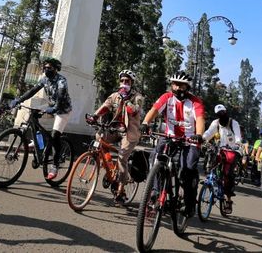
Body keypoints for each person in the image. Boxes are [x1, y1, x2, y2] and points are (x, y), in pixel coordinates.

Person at [141, 71, 205, 218]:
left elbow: (200, 120)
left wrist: (199, 135)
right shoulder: (167, 97)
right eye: (174, 84)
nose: (177, 88)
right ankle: (156, 192)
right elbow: (154, 110)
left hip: (190, 140)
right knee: (155, 157)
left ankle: (189, 204)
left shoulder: (195, 102)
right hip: (170, 137)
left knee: (188, 169)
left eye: (181, 85)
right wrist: (145, 123)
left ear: (187, 87)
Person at [86, 69, 145, 204]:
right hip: (115, 128)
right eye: (122, 81)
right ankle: (110, 168)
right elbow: (105, 107)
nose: (124, 83)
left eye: (127, 81)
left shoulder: (138, 97)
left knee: (122, 157)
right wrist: (95, 116)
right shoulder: (115, 95)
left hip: (130, 132)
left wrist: (126, 100)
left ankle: (121, 189)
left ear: (132, 83)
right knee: (99, 137)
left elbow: (134, 112)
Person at [9, 57, 72, 180]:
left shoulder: (61, 81)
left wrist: (54, 109)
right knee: (32, 115)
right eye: (45, 67)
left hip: (63, 109)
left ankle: (55, 166)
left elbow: (60, 97)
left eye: (49, 68)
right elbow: (32, 91)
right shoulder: (44, 80)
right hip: (51, 105)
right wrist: (19, 100)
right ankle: (38, 142)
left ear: (55, 69)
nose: (46, 69)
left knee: (54, 136)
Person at [202, 104, 242, 211]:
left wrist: (237, 144)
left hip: (232, 150)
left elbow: (238, 136)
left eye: (223, 112)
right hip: (220, 150)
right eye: (219, 114)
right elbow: (209, 133)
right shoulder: (216, 123)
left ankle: (228, 199)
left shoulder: (233, 123)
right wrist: (202, 139)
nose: (221, 115)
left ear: (226, 111)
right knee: (210, 161)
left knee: (228, 175)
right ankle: (211, 181)